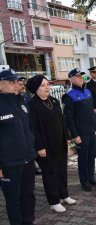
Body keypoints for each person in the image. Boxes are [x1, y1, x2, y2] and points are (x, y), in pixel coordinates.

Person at [26, 75, 76, 213]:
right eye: (43, 85)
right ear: (36, 89)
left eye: (47, 84)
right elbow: (33, 128)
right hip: (45, 146)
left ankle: (64, 195)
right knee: (50, 174)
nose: (47, 87)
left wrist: (66, 137)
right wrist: (39, 146)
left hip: (59, 143)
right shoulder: (32, 105)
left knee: (62, 171)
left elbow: (62, 120)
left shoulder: (53, 101)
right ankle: (53, 201)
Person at [0, 68, 36, 225]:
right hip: (10, 163)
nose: (16, 85)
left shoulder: (22, 100)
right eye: (11, 82)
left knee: (28, 195)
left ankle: (28, 221)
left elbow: (30, 128)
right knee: (13, 200)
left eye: (16, 81)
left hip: (28, 159)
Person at [62, 68, 96, 192]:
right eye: (78, 76)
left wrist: (95, 127)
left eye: (81, 76)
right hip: (81, 132)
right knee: (83, 158)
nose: (81, 78)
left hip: (91, 130)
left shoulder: (88, 91)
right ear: (71, 79)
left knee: (91, 156)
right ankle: (84, 181)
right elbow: (68, 118)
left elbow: (91, 112)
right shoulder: (69, 95)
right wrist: (75, 135)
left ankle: (91, 178)